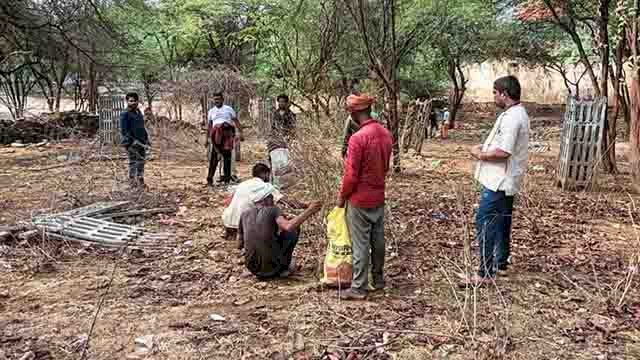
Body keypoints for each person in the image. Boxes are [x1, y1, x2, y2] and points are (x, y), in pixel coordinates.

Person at [467, 75, 529, 284]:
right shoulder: (515, 113)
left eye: (495, 92)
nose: (493, 96)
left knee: (485, 221)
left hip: (500, 181)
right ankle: (501, 263)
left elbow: (504, 151)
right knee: (502, 222)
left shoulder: (513, 117)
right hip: (504, 179)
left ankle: (485, 273)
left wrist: (480, 154)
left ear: (504, 94)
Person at [337, 93, 393, 300]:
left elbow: (351, 175)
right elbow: (386, 166)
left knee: (360, 243)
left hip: (359, 198)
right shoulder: (385, 133)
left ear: (354, 114)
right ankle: (378, 279)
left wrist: (342, 197)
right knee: (378, 240)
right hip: (378, 195)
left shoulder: (357, 138)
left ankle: (359, 287)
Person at [238, 183, 322, 279]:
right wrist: (310, 210)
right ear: (266, 199)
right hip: (273, 268)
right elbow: (289, 226)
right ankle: (282, 268)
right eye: (271, 197)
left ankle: (267, 264)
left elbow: (239, 244)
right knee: (293, 231)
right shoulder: (273, 209)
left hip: (252, 268)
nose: (273, 199)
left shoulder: (244, 214)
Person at [223, 162, 306, 243]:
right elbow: (289, 203)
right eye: (268, 175)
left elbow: (228, 202)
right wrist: (307, 205)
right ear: (265, 174)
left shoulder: (243, 184)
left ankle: (232, 233)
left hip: (228, 222)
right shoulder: (266, 187)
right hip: (245, 227)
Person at [206, 92, 243, 186]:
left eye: (218, 99)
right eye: (215, 99)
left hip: (227, 136)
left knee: (227, 158)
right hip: (216, 137)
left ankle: (227, 180)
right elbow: (209, 126)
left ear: (222, 99)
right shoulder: (211, 111)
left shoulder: (228, 109)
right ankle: (209, 180)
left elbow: (236, 121)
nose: (216, 101)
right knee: (214, 158)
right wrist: (207, 139)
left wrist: (241, 133)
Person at [120, 92, 150, 188]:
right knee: (133, 161)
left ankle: (140, 180)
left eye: (135, 101)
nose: (133, 103)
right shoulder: (125, 114)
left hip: (141, 142)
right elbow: (124, 131)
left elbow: (142, 127)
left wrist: (147, 140)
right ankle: (132, 182)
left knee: (141, 161)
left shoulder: (138, 112)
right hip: (131, 143)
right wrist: (132, 141)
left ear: (137, 101)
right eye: (131, 101)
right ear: (127, 102)